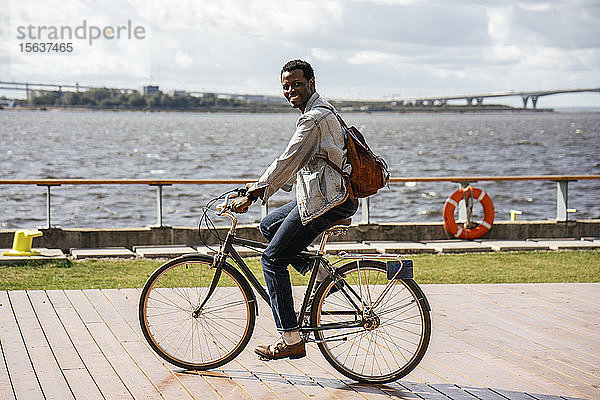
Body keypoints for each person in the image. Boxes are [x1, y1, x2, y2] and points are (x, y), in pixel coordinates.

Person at [230, 59, 358, 360]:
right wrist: (257, 186)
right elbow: (296, 163)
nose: (291, 90)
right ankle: (322, 275)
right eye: (286, 86)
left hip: (328, 200)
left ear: (311, 83)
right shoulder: (320, 111)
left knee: (272, 259)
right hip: (324, 195)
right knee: (269, 227)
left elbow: (287, 160)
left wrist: (254, 193)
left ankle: (291, 338)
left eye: (297, 84)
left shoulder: (312, 119)